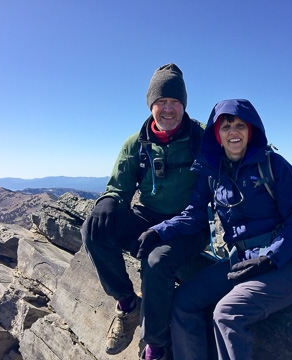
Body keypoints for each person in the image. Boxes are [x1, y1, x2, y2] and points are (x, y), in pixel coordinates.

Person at [137, 99, 292, 359]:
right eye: (226, 126)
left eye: (240, 125)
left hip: (288, 264)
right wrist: (160, 231)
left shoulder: (273, 166)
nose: (233, 132)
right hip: (242, 261)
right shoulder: (212, 173)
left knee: (227, 313)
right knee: (184, 302)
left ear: (251, 130)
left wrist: (270, 258)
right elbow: (194, 214)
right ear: (217, 134)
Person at [81, 63, 209, 360]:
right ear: (151, 104)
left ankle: (156, 344)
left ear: (184, 105)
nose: (168, 109)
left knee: (156, 261)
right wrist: (108, 202)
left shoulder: (201, 139)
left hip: (190, 224)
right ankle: (127, 305)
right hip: (148, 217)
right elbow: (119, 188)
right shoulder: (136, 144)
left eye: (174, 102)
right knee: (94, 228)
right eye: (161, 102)